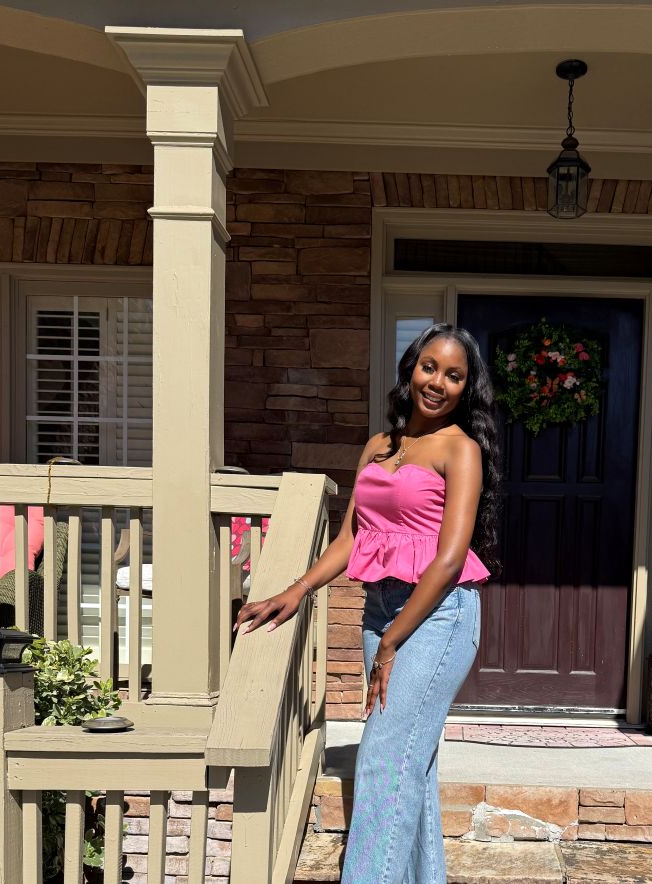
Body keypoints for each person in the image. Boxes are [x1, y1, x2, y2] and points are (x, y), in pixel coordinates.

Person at [235, 323, 500, 883]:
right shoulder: (380, 446)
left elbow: (450, 560)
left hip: (438, 617)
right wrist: (298, 590)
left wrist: (394, 642)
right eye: (430, 367)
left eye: (454, 375)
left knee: (382, 761)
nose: (438, 382)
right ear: (410, 369)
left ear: (466, 388)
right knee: (411, 766)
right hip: (380, 612)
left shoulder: (461, 450)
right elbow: (352, 537)